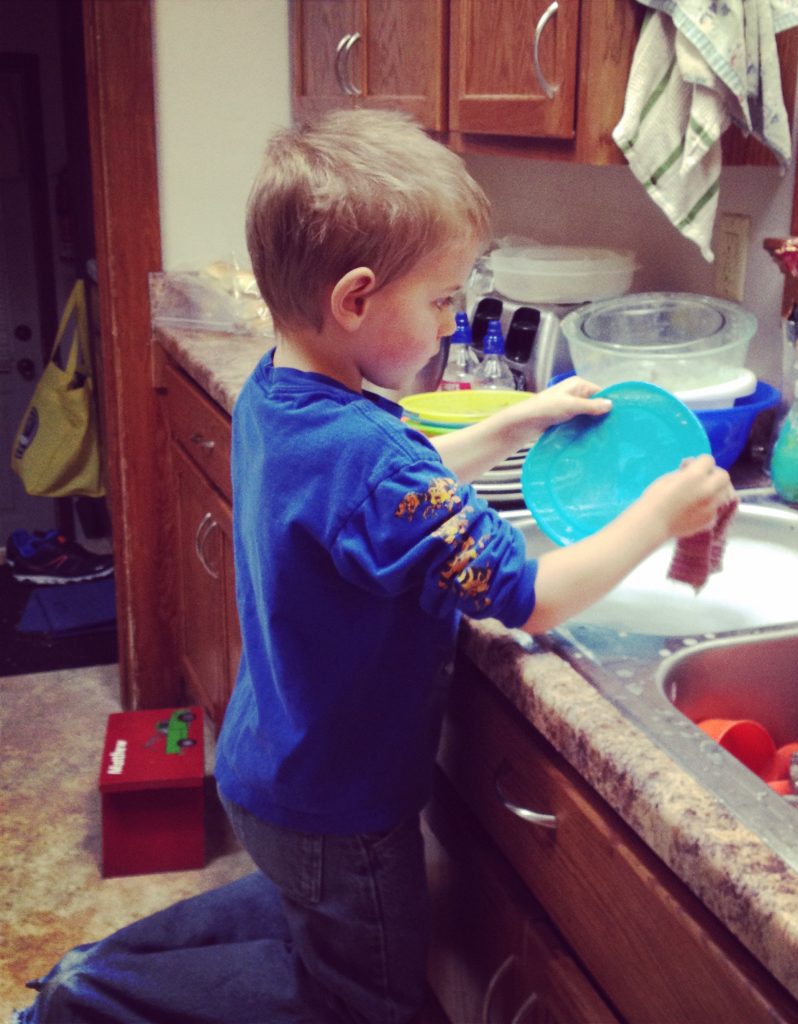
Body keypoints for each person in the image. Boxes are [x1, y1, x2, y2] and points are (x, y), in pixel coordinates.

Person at [17, 109, 734, 1024]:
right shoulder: (369, 455)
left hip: (276, 770)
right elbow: (533, 598)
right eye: (442, 301)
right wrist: (660, 513)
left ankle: (99, 967)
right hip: (342, 811)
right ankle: (98, 997)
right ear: (355, 300)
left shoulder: (287, 396)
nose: (449, 322)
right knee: (362, 1003)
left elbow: (398, 487)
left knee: (306, 916)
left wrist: (523, 419)